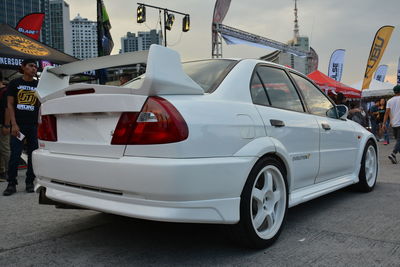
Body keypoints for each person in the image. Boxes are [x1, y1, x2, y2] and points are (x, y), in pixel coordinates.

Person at [3, 59, 40, 196]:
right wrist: (13, 124)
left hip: (34, 126)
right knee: (15, 154)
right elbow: (10, 105)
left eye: (35, 67)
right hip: (19, 126)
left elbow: (42, 104)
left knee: (33, 155)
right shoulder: (15, 83)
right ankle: (11, 183)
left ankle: (29, 182)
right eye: (31, 66)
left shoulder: (38, 84)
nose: (33, 68)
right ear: (23, 67)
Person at [383, 85, 400, 164]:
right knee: (399, 141)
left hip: (394, 124)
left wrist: (384, 123)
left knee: (398, 141)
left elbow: (387, 113)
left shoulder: (389, 101)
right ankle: (393, 154)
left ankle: (395, 155)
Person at [0, 77, 10, 182]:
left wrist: (6, 125)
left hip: (3, 124)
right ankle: (2, 171)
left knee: (5, 149)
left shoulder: (5, 91)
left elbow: (8, 109)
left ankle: (9, 172)